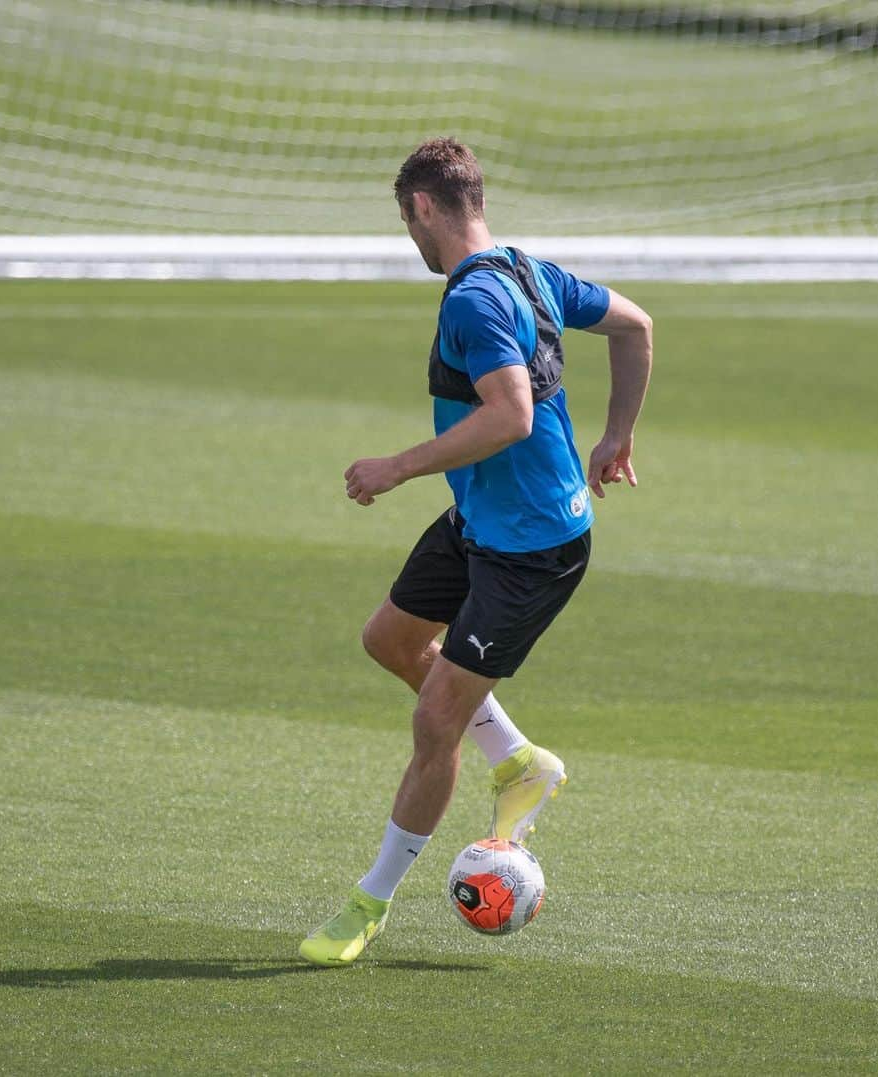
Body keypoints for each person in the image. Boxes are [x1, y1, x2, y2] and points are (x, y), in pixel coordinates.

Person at [299, 137, 653, 967]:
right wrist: (616, 436)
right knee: (389, 640)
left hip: (531, 548)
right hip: (487, 519)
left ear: (422, 207)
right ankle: (521, 762)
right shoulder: (528, 270)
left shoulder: (472, 302)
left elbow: (511, 416)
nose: (408, 236)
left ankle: (368, 903)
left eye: (404, 221)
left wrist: (394, 468)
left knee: (436, 718)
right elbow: (637, 325)